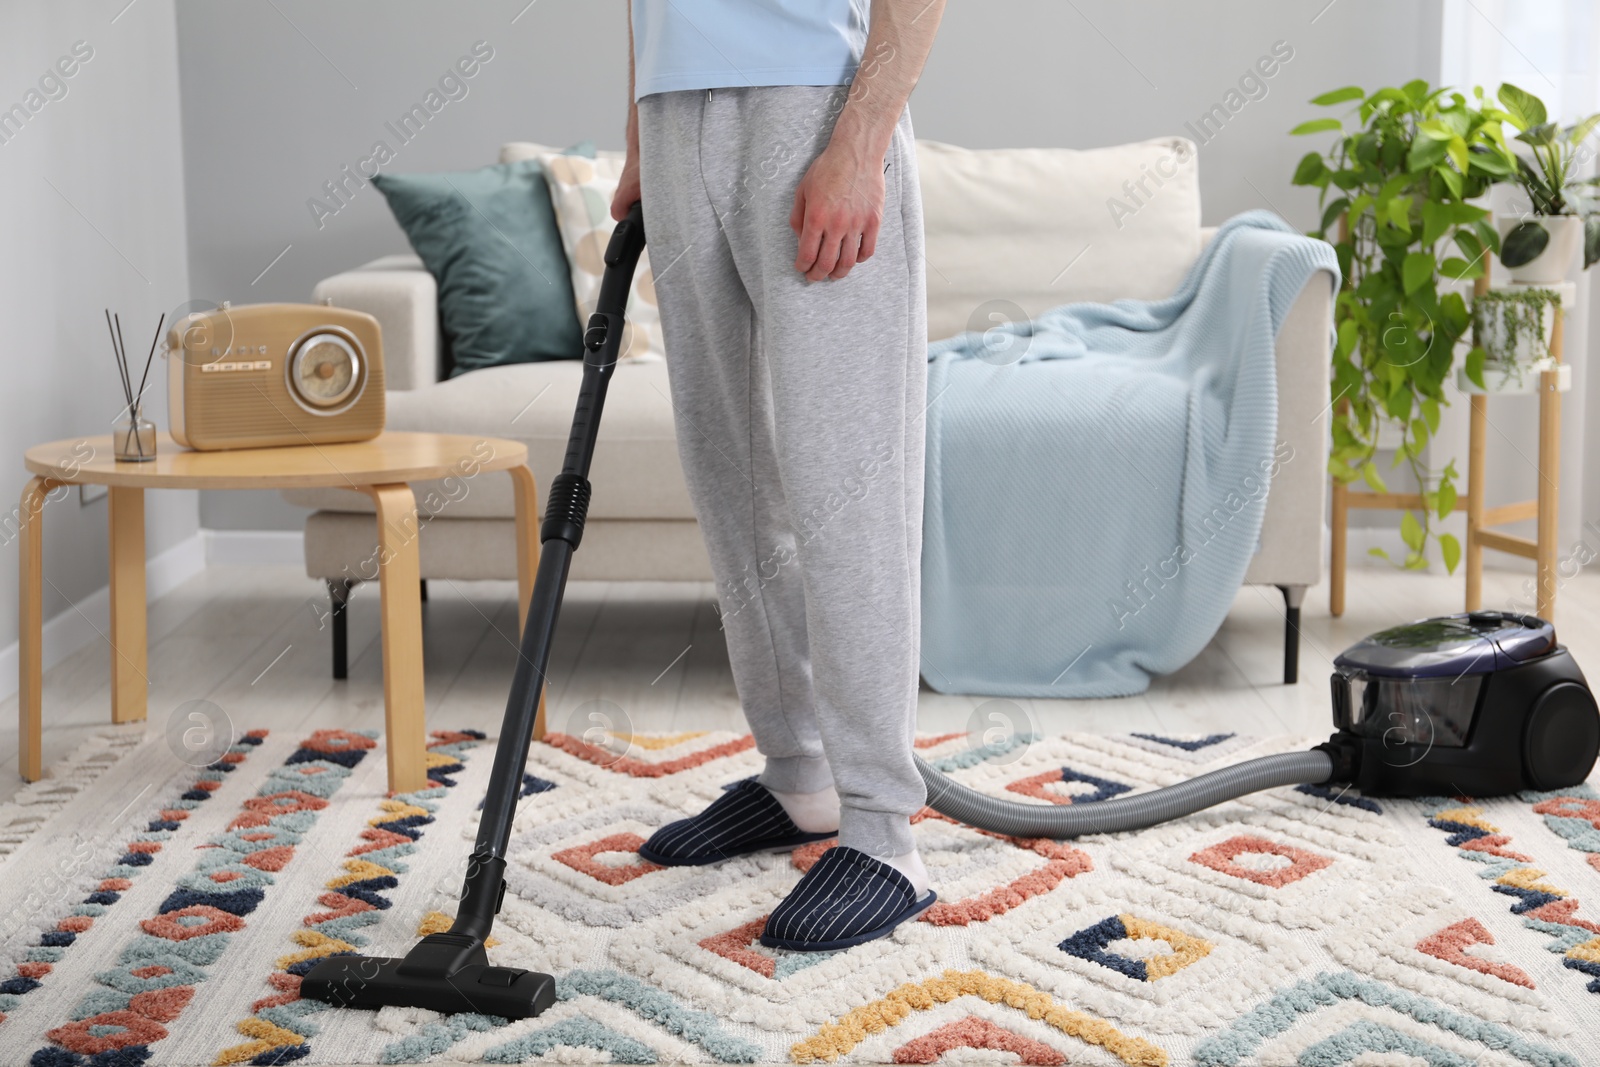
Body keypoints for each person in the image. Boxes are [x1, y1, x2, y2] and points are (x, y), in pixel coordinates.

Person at [610, 0, 945, 951]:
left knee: (848, 486)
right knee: (733, 477)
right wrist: (641, 130)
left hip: (814, 108)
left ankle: (882, 833)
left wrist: (863, 140)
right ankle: (801, 775)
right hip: (677, 112)